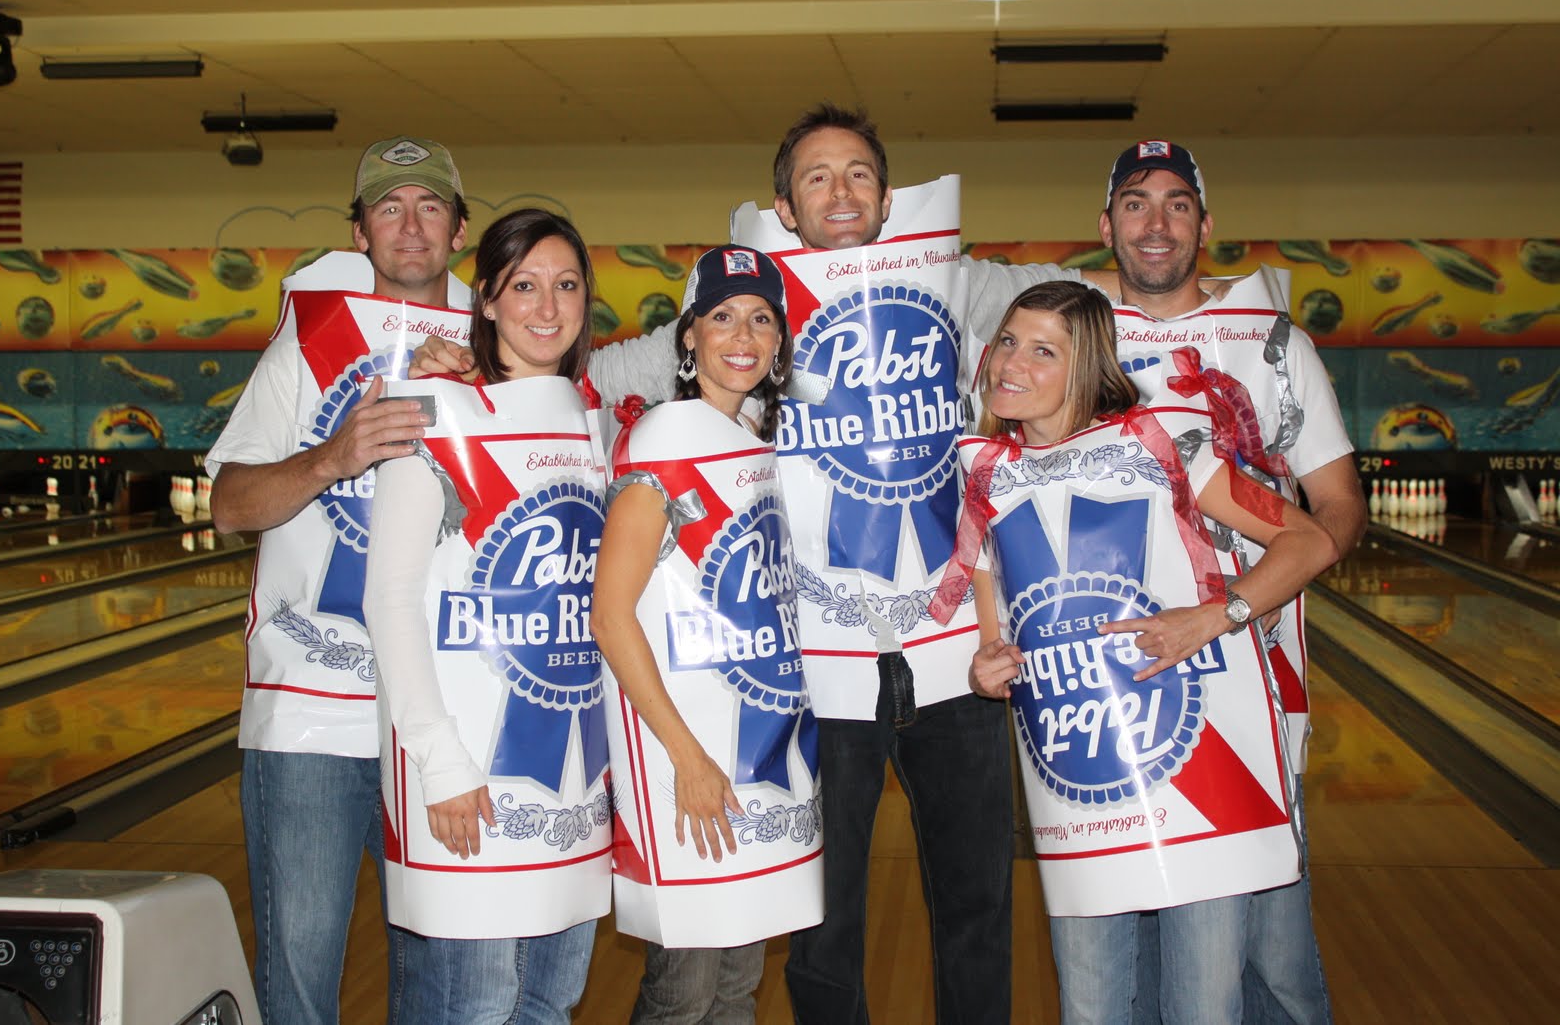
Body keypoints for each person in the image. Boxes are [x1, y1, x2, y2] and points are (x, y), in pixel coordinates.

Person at [412, 103, 1116, 1024]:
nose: (840, 191)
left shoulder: (955, 278)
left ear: (888, 193)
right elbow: (611, 370)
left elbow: (1079, 299)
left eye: (859, 173)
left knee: (977, 908)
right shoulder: (754, 296)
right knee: (823, 925)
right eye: (817, 176)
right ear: (783, 205)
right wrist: (475, 370)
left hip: (952, 655)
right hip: (821, 667)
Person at [958, 280, 1340, 1023]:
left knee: (1202, 1008)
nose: (1012, 362)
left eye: (1044, 350)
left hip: (1203, 770)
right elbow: (991, 644)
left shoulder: (1166, 446)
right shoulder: (985, 476)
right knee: (1093, 1010)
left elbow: (1310, 539)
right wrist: (988, 669)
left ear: (1088, 367)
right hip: (1085, 790)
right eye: (1007, 341)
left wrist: (1215, 615)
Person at [1096, 140, 1365, 1024]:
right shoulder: (1081, 339)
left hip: (1255, 673)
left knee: (1272, 950)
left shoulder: (1275, 343)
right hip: (1120, 680)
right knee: (1133, 932)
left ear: (1206, 226)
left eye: (1177, 204)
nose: (1157, 221)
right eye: (1136, 203)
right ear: (1106, 226)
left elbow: (1338, 508)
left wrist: (1238, 595)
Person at [205, 135, 471, 1025]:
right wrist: (332, 455)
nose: (409, 225)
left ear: (459, 230)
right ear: (359, 232)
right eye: (388, 207)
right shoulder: (308, 345)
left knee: (441, 985)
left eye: (429, 205)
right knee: (300, 986)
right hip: (308, 709)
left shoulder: (497, 343)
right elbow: (229, 504)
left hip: (440, 721)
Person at [362, 208, 610, 1023]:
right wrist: (440, 762)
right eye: (524, 286)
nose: (547, 307)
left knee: (549, 1002)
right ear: (489, 301)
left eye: (566, 285)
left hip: (573, 781)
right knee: (478, 1005)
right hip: (468, 775)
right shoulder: (435, 411)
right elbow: (389, 597)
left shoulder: (594, 421)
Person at [593, 244, 822, 1024]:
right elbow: (610, 613)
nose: (743, 335)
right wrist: (686, 756)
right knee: (683, 993)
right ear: (687, 337)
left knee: (734, 987)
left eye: (762, 319)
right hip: (685, 762)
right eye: (722, 316)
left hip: (753, 757)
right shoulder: (662, 441)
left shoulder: (755, 443)